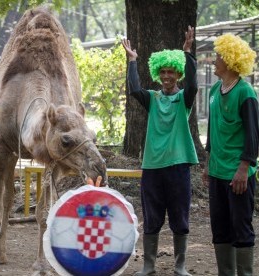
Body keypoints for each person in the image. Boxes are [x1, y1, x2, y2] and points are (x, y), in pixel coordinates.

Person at [122, 26, 198, 276]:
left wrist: (188, 54)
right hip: (153, 166)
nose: (166, 76)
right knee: (152, 217)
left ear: (178, 74)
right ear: (158, 73)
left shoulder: (183, 100)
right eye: (162, 72)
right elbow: (134, 89)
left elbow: (194, 86)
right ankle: (148, 265)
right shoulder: (153, 98)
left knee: (179, 217)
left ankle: (180, 266)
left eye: (171, 72)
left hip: (178, 166)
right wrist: (132, 61)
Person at [202, 33, 257, 276]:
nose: (214, 61)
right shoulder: (214, 90)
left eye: (217, 57)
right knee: (220, 228)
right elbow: (212, 131)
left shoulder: (246, 93)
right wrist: (207, 163)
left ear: (231, 60)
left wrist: (244, 168)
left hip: (238, 173)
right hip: (216, 171)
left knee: (241, 228)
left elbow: (254, 135)